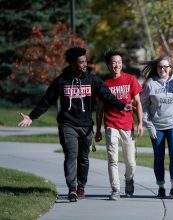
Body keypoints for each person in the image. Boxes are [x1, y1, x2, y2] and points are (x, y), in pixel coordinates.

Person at [18, 46, 133, 202]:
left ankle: (81, 187)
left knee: (83, 158)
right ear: (72, 63)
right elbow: (47, 100)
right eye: (81, 62)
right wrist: (32, 117)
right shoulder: (61, 81)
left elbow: (107, 96)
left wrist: (122, 105)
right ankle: (72, 189)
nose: (85, 64)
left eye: (85, 61)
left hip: (86, 126)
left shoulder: (92, 80)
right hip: (68, 124)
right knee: (71, 155)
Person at [140, 56, 173, 199]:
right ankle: (161, 187)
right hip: (157, 127)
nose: (162, 69)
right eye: (159, 67)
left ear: (171, 68)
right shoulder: (151, 84)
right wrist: (149, 126)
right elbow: (143, 107)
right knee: (159, 157)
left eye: (165, 66)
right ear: (156, 68)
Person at [95, 49, 143, 200]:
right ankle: (115, 189)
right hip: (111, 125)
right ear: (108, 65)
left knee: (131, 162)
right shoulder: (103, 83)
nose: (117, 65)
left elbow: (137, 102)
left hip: (128, 126)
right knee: (112, 159)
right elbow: (100, 109)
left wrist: (140, 123)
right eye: (114, 63)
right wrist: (98, 130)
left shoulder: (130, 80)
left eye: (119, 62)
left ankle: (129, 179)